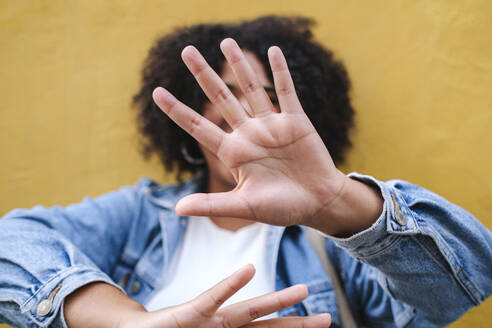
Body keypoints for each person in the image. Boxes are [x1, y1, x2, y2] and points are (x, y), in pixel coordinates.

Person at [1, 16, 491, 328]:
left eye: (271, 97)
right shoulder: (144, 215)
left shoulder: (331, 237)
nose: (244, 115)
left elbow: (462, 284)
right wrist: (126, 321)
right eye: (224, 94)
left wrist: (333, 201)